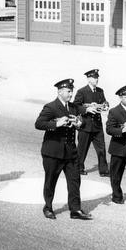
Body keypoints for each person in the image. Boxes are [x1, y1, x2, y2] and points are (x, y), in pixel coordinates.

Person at [34, 78, 93, 220]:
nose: (71, 93)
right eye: (68, 91)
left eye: (71, 91)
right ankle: (48, 207)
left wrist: (80, 123)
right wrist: (57, 124)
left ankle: (75, 210)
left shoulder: (72, 107)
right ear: (60, 92)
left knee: (74, 181)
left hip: (70, 153)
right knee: (51, 181)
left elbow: (82, 120)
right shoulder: (51, 107)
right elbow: (39, 123)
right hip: (53, 152)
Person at [73, 69, 110, 177]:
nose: (96, 79)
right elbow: (75, 107)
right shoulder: (82, 91)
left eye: (97, 77)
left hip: (97, 126)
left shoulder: (100, 91)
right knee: (82, 149)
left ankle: (103, 170)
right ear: (89, 79)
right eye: (94, 78)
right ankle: (79, 168)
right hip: (85, 125)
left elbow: (104, 103)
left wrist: (105, 106)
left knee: (101, 149)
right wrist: (86, 110)